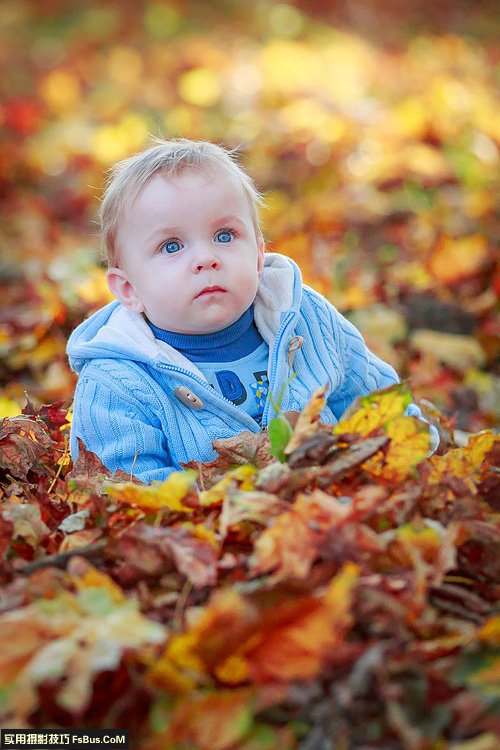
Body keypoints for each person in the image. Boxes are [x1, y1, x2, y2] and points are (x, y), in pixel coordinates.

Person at [67, 137, 437, 483]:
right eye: (171, 246)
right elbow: (120, 487)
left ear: (259, 256)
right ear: (129, 289)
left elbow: (380, 405)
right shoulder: (116, 383)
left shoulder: (308, 322)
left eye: (225, 236)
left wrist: (413, 464)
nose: (206, 258)